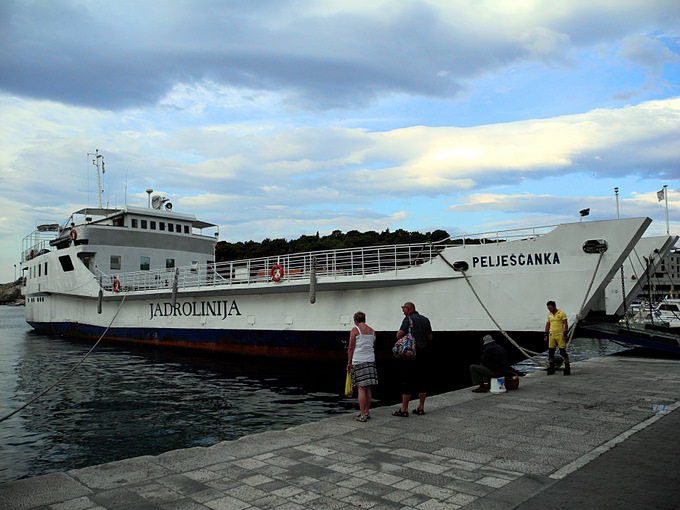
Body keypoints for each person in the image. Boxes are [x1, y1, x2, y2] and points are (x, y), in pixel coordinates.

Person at [392, 302, 433, 417]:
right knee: (422, 379)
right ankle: (421, 407)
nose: (403, 311)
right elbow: (430, 337)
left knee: (407, 379)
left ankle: (404, 409)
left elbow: (399, 335)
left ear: (409, 309)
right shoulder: (425, 320)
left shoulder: (408, 319)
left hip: (411, 354)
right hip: (423, 352)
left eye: (403, 309)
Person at [347, 311, 378, 422]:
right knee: (368, 387)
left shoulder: (355, 330)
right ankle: (367, 411)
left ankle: (362, 414)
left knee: (360, 387)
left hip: (359, 361)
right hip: (370, 360)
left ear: (356, 321)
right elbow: (372, 346)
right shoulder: (372, 331)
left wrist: (349, 363)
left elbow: (351, 348)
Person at [545, 300, 570, 375]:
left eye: (550, 308)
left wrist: (565, 332)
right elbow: (548, 324)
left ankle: (567, 367)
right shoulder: (549, 315)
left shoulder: (561, 314)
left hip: (560, 334)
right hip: (552, 334)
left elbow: (565, 323)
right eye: (548, 308)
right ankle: (552, 368)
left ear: (554, 307)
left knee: (563, 351)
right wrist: (546, 334)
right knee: (551, 352)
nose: (549, 310)